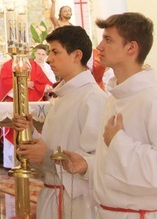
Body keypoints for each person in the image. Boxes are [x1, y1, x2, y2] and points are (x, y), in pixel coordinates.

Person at [63, 12, 157, 218]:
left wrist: (119, 142)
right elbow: (114, 167)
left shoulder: (153, 102)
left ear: (131, 48)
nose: (99, 47)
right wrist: (88, 165)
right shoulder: (114, 99)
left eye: (108, 40)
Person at [13, 26, 107, 219]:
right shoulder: (64, 96)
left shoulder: (92, 98)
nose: (48, 59)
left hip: (77, 203)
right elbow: (57, 144)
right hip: (53, 196)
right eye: (49, 52)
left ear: (77, 55)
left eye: (55, 52)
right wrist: (31, 135)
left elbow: (100, 160)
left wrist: (46, 157)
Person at [0, 54, 53, 168]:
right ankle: (11, 163)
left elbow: (43, 82)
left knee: (32, 129)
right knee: (12, 129)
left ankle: (30, 162)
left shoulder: (34, 65)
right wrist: (23, 84)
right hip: (13, 103)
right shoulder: (8, 65)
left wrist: (44, 87)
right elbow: (4, 83)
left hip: (30, 103)